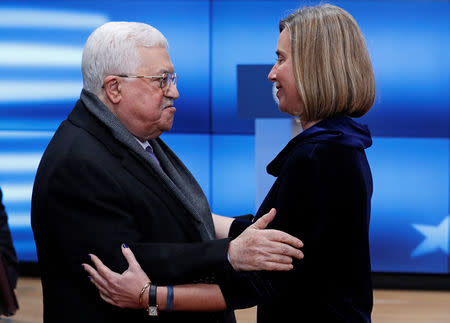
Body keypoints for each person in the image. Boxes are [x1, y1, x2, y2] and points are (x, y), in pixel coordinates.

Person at [85, 4, 376, 323]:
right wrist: (186, 215)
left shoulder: (319, 157)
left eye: (281, 58)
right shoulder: (341, 143)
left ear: (315, 67)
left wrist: (149, 296)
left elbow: (261, 280)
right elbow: (274, 231)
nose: (272, 73)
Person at [31, 21, 304, 323]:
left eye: (172, 78)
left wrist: (247, 233)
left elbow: (168, 216)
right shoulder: (77, 162)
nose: (174, 92)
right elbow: (125, 263)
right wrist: (228, 253)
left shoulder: (133, 136)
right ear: (114, 88)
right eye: (161, 80)